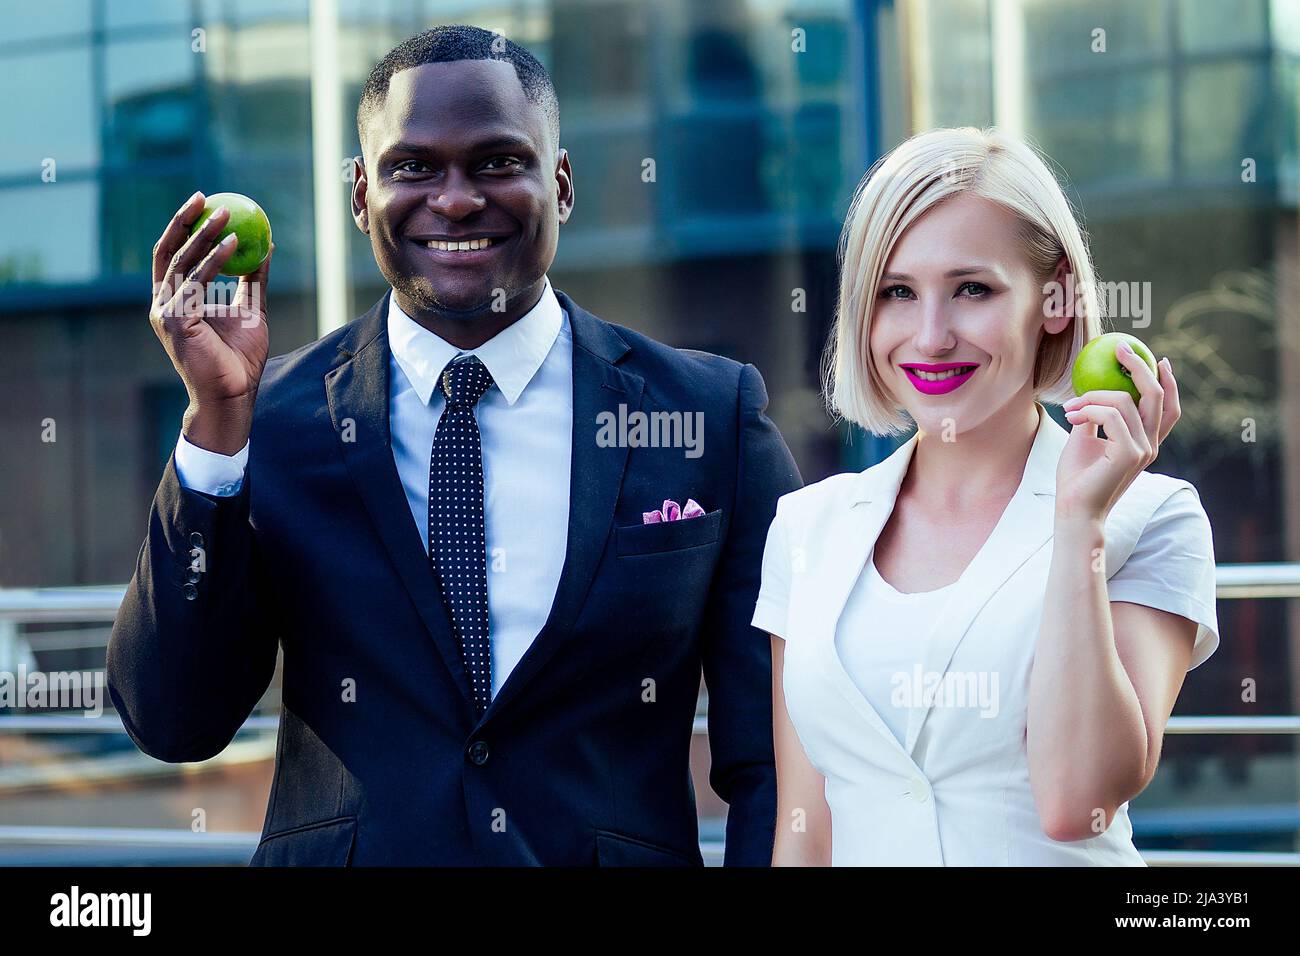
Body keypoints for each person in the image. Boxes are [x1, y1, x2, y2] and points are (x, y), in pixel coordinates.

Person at [108, 25, 801, 866]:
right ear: (362, 196)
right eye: (413, 168)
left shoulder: (708, 419)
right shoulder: (267, 419)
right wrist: (217, 425)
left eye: (498, 162)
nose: (458, 198)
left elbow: (777, 764)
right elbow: (172, 720)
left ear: (562, 182)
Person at [754, 127, 1219, 866]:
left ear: (1057, 298)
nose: (931, 336)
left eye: (972, 289)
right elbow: (805, 830)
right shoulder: (806, 527)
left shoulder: (1151, 517)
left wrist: (1079, 522)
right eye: (897, 293)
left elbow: (1077, 802)